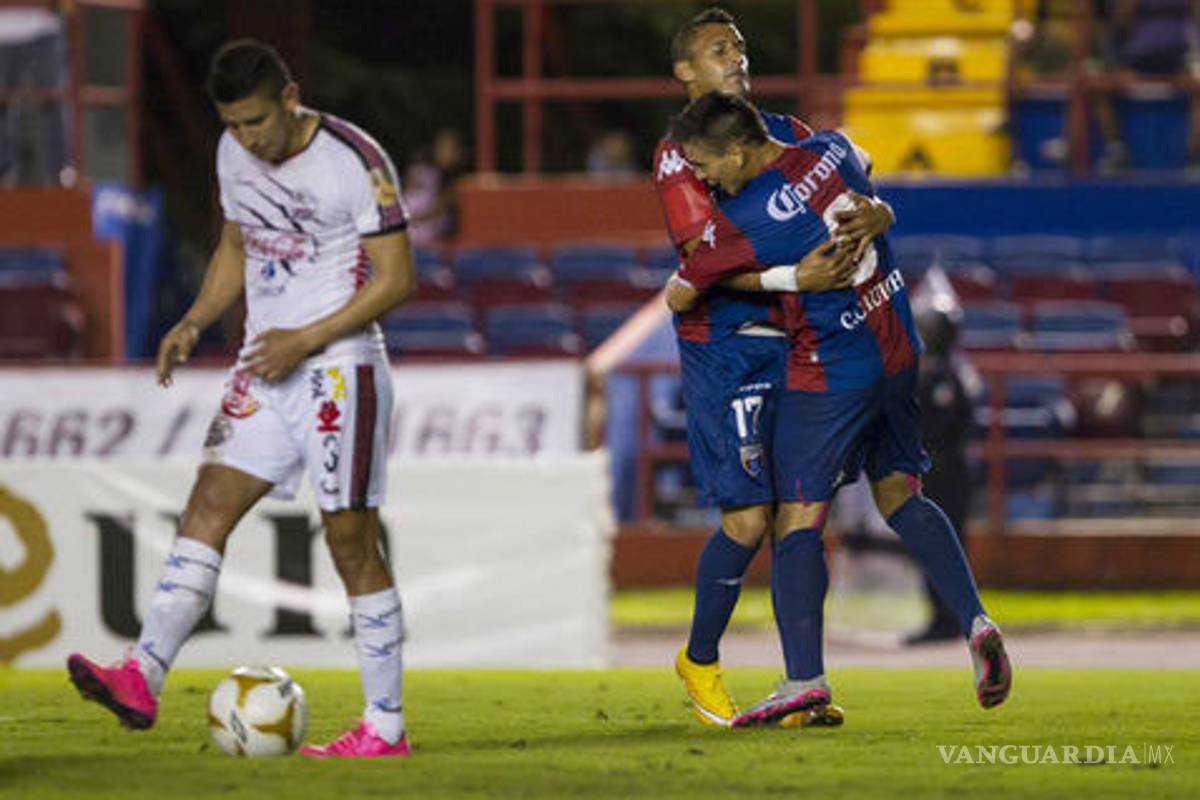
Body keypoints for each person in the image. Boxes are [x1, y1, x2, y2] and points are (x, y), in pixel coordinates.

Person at [66, 39, 417, 759]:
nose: (247, 138)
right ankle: (143, 676)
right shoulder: (234, 155)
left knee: (351, 541)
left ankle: (385, 727)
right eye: (234, 125)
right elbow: (237, 243)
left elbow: (395, 278)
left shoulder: (354, 158)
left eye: (257, 121)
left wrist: (307, 336)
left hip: (338, 368)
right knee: (205, 507)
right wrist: (195, 320)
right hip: (265, 365)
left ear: (289, 98)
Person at [666, 91, 1012, 725]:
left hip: (833, 363)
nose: (703, 178)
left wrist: (787, 278)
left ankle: (804, 679)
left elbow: (681, 292)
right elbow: (870, 165)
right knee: (902, 494)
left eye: (706, 164)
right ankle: (976, 623)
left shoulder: (741, 219)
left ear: (738, 151)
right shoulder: (827, 149)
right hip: (898, 341)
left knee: (797, 517)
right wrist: (877, 213)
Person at [654, 6, 894, 729]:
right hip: (725, 347)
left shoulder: (785, 133)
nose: (736, 59)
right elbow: (703, 269)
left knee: (800, 509)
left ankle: (802, 684)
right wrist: (798, 278)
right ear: (685, 73)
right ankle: (699, 656)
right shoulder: (677, 157)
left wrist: (879, 211)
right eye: (718, 50)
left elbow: (859, 175)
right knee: (749, 517)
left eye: (741, 47)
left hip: (795, 343)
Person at [403, 127, 466, 245]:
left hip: (439, 237)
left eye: (449, 148)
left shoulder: (457, 178)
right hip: (416, 229)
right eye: (441, 148)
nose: (444, 153)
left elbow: (440, 208)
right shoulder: (430, 171)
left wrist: (411, 219)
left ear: (459, 152)